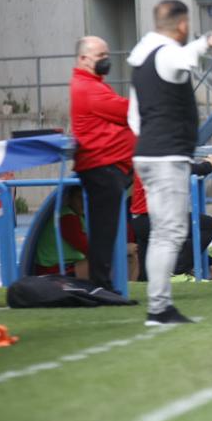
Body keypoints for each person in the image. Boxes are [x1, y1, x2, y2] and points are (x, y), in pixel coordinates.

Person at [126, 0, 212, 326]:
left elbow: (133, 116)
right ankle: (159, 308)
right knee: (169, 233)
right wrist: (207, 42)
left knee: (164, 232)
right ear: (182, 24)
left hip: (149, 153)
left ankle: (159, 305)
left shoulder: (141, 57)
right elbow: (183, 58)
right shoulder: (167, 52)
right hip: (165, 156)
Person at [70, 35, 135, 292]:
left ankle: (103, 283)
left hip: (110, 168)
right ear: (83, 59)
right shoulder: (89, 89)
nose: (106, 61)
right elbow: (127, 112)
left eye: (107, 55)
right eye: (100, 56)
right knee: (103, 231)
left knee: (105, 229)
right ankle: (101, 284)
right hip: (102, 168)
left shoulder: (94, 84)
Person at [131, 156, 212, 280]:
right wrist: (207, 165)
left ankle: (168, 271)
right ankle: (176, 268)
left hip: (141, 220)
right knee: (208, 225)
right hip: (156, 219)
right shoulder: (159, 156)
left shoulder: (145, 156)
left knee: (147, 274)